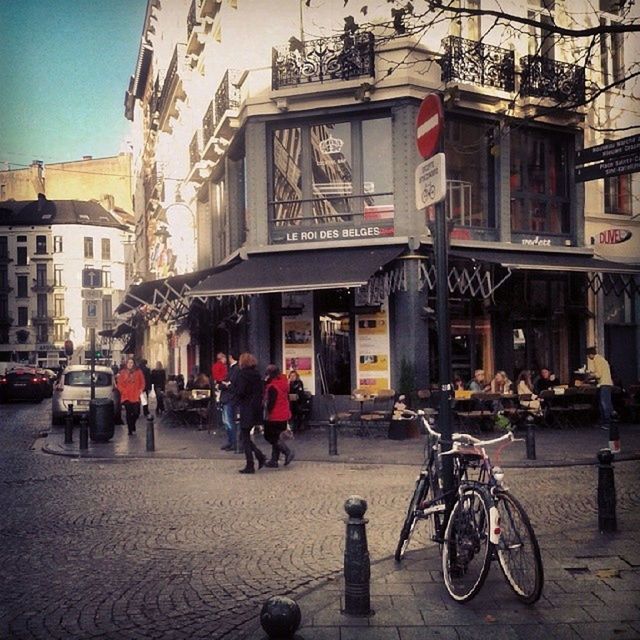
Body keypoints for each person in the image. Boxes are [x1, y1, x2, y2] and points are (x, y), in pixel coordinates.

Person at [235, 352, 267, 474]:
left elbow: (241, 391)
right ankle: (259, 456)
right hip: (255, 408)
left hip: (246, 407)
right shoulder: (257, 374)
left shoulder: (242, 375)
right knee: (245, 436)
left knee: (244, 436)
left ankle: (251, 463)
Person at [264, 365, 295, 468]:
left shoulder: (272, 386)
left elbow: (271, 403)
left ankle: (287, 452)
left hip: (275, 415)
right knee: (277, 437)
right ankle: (274, 460)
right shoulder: (284, 382)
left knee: (269, 436)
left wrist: (267, 413)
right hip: (284, 413)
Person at [586, 346, 613, 430]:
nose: (588, 357)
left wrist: (590, 375)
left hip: (604, 383)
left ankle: (607, 422)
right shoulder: (601, 359)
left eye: (588, 355)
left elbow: (599, 374)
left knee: (605, 404)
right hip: (606, 383)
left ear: (590, 354)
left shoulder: (597, 360)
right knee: (603, 403)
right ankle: (604, 421)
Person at [117, 357, 146, 435]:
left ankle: (132, 424)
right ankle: (130, 429)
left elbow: (142, 382)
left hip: (136, 395)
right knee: (128, 413)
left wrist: (141, 389)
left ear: (134, 364)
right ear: (126, 364)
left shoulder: (138, 372)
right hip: (126, 396)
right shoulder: (123, 372)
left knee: (136, 413)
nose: (130, 364)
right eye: (129, 363)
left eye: (131, 363)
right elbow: (119, 384)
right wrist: (123, 391)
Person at [219, 353, 239, 451]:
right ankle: (231, 441)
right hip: (227, 398)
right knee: (227, 421)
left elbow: (230, 384)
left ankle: (233, 442)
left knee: (228, 421)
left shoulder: (235, 369)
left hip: (229, 398)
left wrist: (225, 384)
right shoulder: (232, 369)